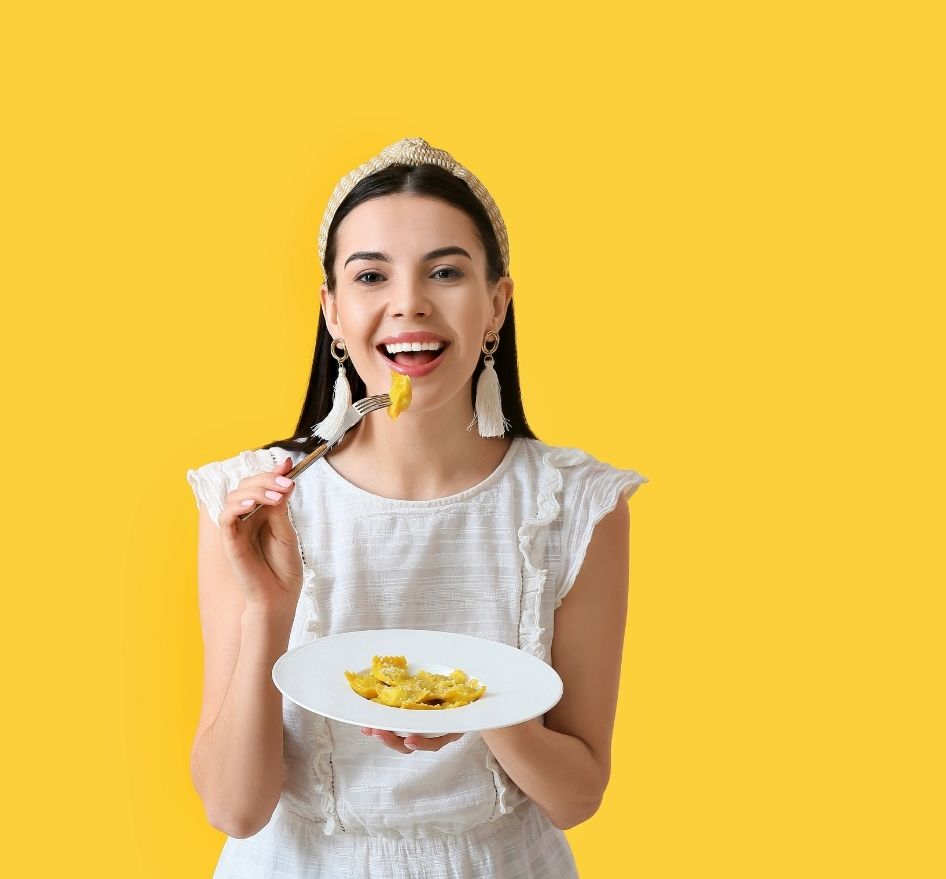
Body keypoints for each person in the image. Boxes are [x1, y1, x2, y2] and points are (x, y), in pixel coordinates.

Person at [185, 137, 649, 878]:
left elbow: (577, 795)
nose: (410, 302)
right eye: (371, 275)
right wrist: (267, 610)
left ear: (496, 303)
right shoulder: (252, 502)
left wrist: (479, 707)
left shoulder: (577, 505)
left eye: (445, 271)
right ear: (333, 313)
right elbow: (235, 810)